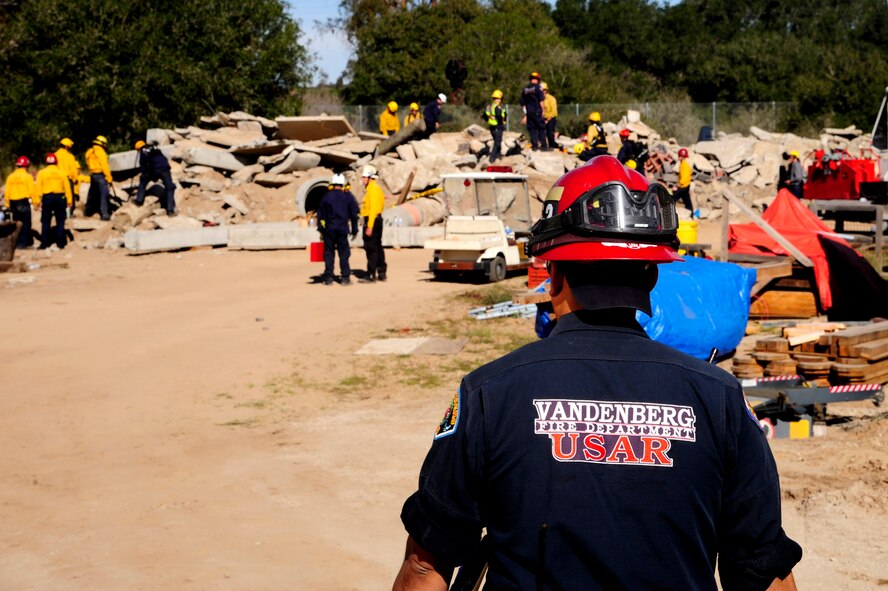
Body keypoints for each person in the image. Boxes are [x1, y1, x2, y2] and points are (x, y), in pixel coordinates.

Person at [393, 155, 802, 591]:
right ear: (649, 276)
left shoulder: (489, 394)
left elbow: (425, 568)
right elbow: (764, 572)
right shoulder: (718, 398)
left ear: (554, 275)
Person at [316, 174, 359, 286]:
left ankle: (328, 278)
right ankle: (345, 278)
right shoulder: (347, 197)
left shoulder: (326, 197)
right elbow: (354, 214)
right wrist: (355, 230)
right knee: (344, 254)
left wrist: (321, 229)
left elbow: (320, 215)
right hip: (342, 229)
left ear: (333, 184)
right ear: (342, 184)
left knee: (329, 253)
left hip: (329, 230)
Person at [35, 153, 73, 249]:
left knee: (46, 221)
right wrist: (69, 200)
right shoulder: (62, 172)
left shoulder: (42, 173)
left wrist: (37, 202)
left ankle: (44, 243)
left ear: (46, 162)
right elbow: (67, 188)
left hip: (47, 198)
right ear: (56, 162)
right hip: (60, 198)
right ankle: (61, 243)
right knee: (60, 221)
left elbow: (38, 188)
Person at [358, 165, 387, 283]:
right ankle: (382, 272)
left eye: (364, 177)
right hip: (375, 220)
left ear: (370, 177)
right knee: (378, 247)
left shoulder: (373, 190)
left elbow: (373, 210)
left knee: (371, 248)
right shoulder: (373, 189)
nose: (362, 179)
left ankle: (371, 274)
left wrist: (369, 226)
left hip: (372, 221)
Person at [133, 140, 176, 215]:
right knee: (169, 188)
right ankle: (170, 210)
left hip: (155, 169)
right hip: (165, 169)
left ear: (138, 148)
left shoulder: (143, 151)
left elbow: (143, 165)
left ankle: (139, 200)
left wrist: (146, 175)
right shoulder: (155, 148)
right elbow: (163, 158)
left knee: (143, 181)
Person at [3, 156, 38, 248]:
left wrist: (7, 205)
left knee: (16, 224)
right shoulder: (27, 177)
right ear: (27, 166)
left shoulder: (10, 176)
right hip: (23, 202)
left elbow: (7, 192)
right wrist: (36, 203)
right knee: (26, 224)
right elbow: (32, 192)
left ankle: (16, 243)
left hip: (13, 203)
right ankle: (23, 243)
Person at [84, 135, 112, 220]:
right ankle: (104, 214)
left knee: (92, 194)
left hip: (93, 175)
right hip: (100, 175)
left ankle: (87, 212)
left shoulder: (89, 151)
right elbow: (105, 166)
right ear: (103, 144)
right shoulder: (101, 152)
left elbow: (87, 161)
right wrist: (109, 177)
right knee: (104, 195)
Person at [520, 71, 547, 151]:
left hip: (529, 112)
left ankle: (534, 146)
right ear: (538, 79)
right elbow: (541, 100)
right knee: (541, 128)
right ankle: (544, 145)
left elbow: (522, 103)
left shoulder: (525, 89)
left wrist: (526, 114)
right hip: (537, 111)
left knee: (532, 129)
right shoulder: (538, 88)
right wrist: (543, 110)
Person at [54, 138, 82, 208]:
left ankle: (58, 209)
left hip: (57, 179)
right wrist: (75, 179)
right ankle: (70, 211)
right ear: (67, 146)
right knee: (70, 195)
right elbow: (74, 169)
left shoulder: (54, 155)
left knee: (58, 195)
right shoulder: (70, 157)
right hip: (67, 179)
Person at [484, 90, 507, 163]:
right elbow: (500, 117)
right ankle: (492, 158)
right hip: (498, 127)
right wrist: (502, 124)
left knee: (497, 141)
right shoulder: (498, 107)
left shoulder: (489, 106)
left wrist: (490, 120)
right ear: (499, 98)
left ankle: (498, 155)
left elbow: (485, 116)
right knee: (497, 143)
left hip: (492, 127)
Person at [674, 147, 694, 212]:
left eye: (680, 156)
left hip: (683, 186)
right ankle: (690, 214)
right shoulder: (683, 164)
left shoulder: (684, 165)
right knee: (687, 201)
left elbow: (683, 179)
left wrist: (677, 186)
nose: (679, 157)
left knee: (672, 199)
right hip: (685, 186)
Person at [541, 81, 558, 151]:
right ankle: (543, 146)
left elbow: (554, 112)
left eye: (544, 90)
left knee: (550, 132)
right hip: (541, 118)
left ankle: (552, 146)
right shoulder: (538, 99)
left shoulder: (551, 99)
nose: (543, 92)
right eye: (542, 90)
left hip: (550, 118)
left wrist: (547, 120)